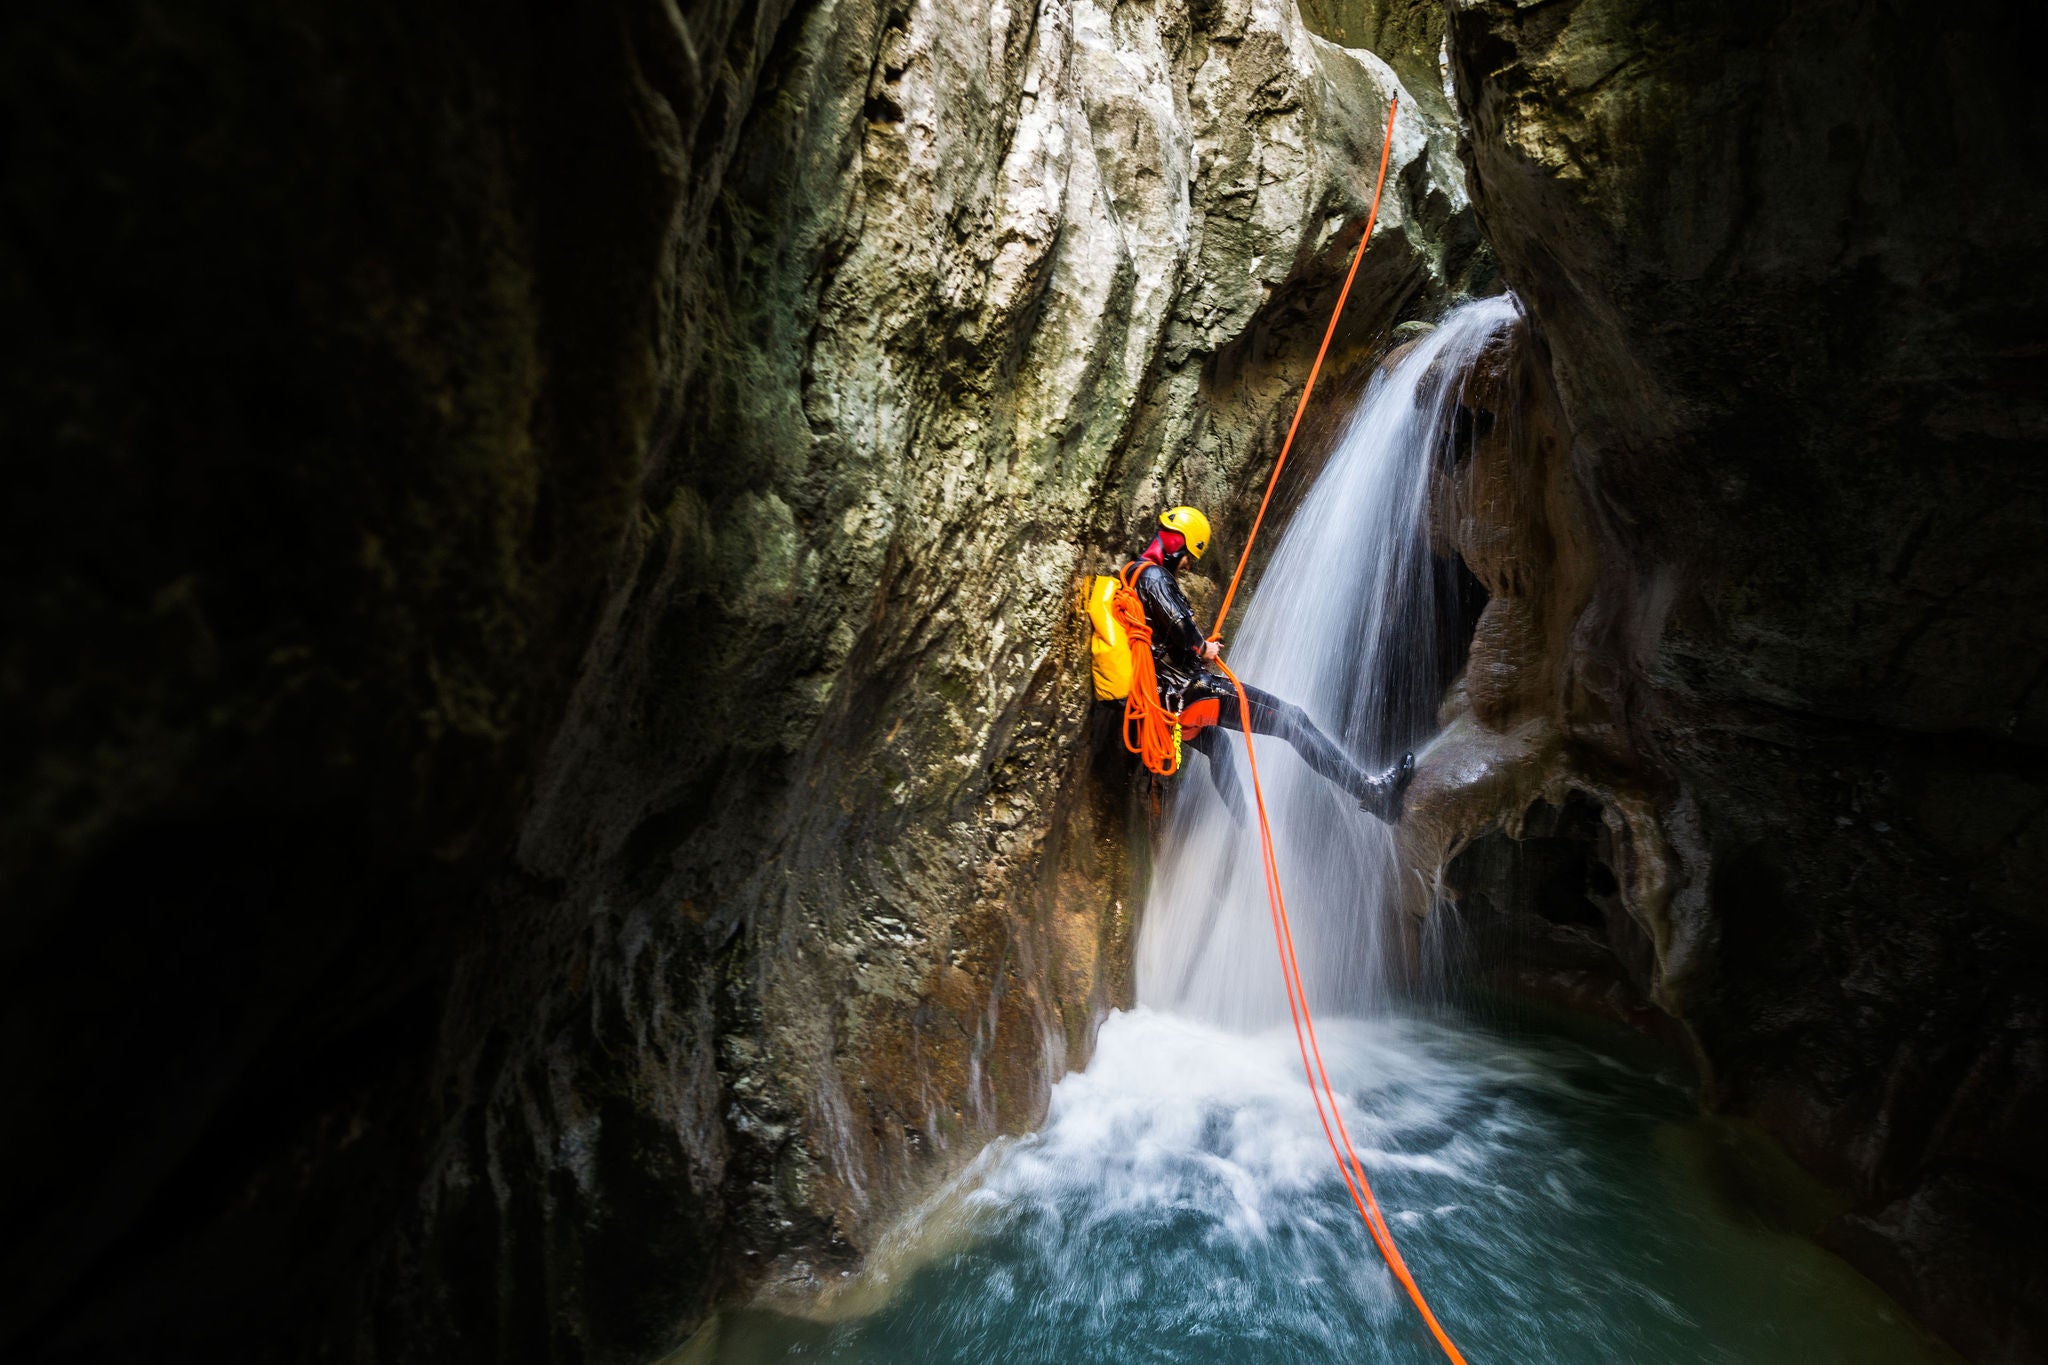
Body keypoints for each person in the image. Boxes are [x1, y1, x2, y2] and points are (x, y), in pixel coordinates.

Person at [1127, 506, 1415, 824]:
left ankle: (1244, 825)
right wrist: (1203, 646)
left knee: (1219, 746)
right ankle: (1371, 792)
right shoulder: (1154, 576)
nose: (1187, 565)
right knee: (1292, 720)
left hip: (1163, 702)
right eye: (1189, 556)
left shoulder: (1131, 576)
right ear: (1178, 541)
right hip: (1187, 694)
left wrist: (1196, 649)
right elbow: (1182, 629)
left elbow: (1159, 643)